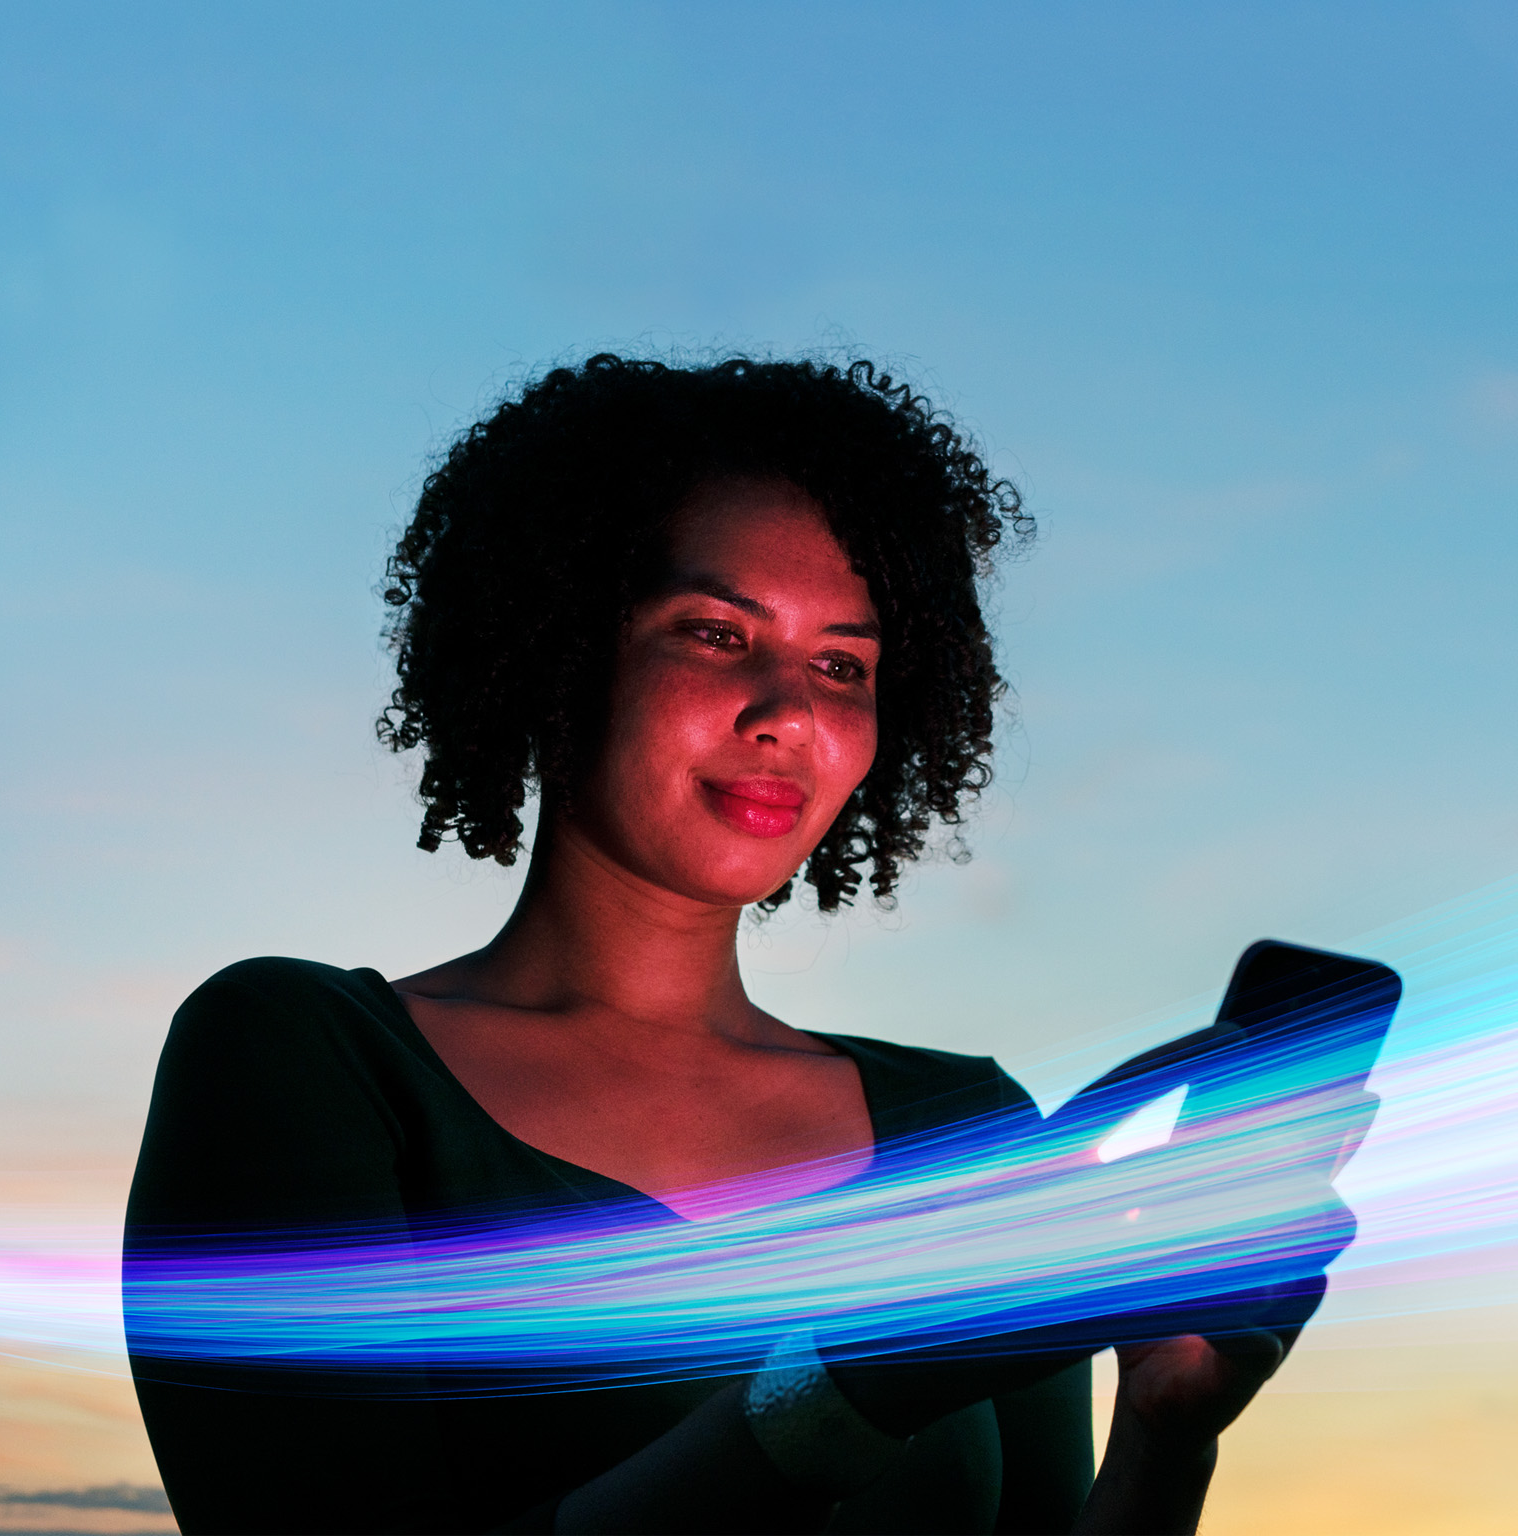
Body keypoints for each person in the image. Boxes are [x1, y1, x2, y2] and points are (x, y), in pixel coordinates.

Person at [126, 355, 1322, 1535]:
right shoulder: (303, 1056)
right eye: (712, 632)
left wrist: (1169, 1435)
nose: (790, 710)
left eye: (842, 665)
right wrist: (856, 1379)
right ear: (554, 644)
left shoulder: (968, 1127)